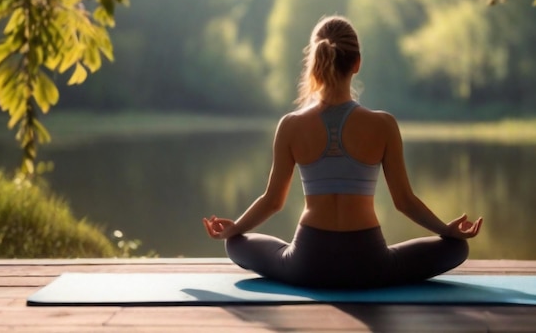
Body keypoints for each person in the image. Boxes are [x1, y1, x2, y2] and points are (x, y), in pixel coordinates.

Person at [203, 15, 483, 289]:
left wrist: (236, 227)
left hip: (307, 264)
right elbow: (404, 202)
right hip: (369, 264)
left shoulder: (291, 125)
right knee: (457, 249)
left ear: (313, 64)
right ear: (357, 63)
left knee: (235, 243)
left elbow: (273, 201)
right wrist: (446, 231)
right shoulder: (383, 124)